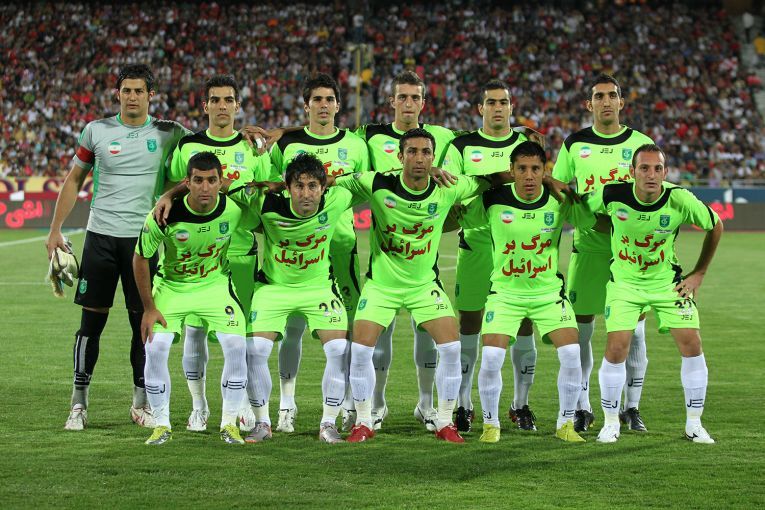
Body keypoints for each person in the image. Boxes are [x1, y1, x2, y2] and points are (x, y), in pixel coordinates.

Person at [46, 64, 190, 431]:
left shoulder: (170, 132)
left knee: (143, 323)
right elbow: (74, 179)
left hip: (144, 242)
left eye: (139, 91)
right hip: (101, 238)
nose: (132, 97)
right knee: (90, 324)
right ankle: (78, 404)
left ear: (151, 95)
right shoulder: (96, 130)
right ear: (118, 94)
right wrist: (55, 230)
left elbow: (211, 145)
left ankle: (141, 402)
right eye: (126, 90)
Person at [334, 128, 490, 443]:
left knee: (452, 348)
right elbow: (332, 180)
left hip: (423, 285)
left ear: (433, 158)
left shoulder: (448, 187)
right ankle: (363, 421)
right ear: (400, 156)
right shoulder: (377, 183)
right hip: (381, 285)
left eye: (426, 152)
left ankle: (444, 421)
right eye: (413, 152)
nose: (419, 158)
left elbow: (488, 180)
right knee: (361, 350)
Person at [461, 141, 597, 443]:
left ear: (544, 171)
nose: (529, 175)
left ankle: (565, 425)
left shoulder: (558, 200)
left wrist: (564, 190)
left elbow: (588, 220)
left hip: (548, 293)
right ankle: (490, 425)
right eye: (522, 169)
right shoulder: (493, 199)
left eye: (536, 169)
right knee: (492, 357)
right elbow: (461, 217)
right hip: (504, 294)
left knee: (571, 354)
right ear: (511, 170)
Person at [590, 144, 722, 444]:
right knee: (617, 347)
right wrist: (613, 227)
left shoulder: (679, 198)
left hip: (667, 283)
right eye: (644, 168)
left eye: (657, 168)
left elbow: (715, 226)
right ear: (632, 172)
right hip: (624, 283)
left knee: (692, 344)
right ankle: (610, 423)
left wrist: (699, 273)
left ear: (666, 172)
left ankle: (694, 424)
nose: (651, 174)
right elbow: (584, 212)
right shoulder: (612, 194)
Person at [350, 70, 460, 432]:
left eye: (415, 97)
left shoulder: (443, 136)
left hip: (423, 266)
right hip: (384, 263)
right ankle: (375, 407)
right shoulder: (369, 135)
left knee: (429, 337)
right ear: (392, 101)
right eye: (403, 97)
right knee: (375, 341)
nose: (408, 103)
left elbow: (479, 161)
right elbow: (330, 143)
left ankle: (428, 406)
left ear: (423, 102)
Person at [166, 74, 273, 433]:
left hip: (241, 253)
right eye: (216, 99)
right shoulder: (188, 146)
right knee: (195, 332)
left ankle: (239, 404)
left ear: (237, 106)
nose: (222, 106)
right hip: (199, 257)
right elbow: (176, 187)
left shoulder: (253, 148)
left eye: (229, 99)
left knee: (238, 336)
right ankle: (198, 406)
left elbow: (262, 194)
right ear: (205, 106)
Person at [552, 73, 654, 433]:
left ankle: (631, 407)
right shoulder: (575, 143)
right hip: (587, 249)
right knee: (582, 330)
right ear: (589, 104)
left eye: (612, 95)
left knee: (635, 332)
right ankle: (583, 406)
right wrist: (583, 216)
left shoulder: (641, 143)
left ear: (621, 102)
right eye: (599, 96)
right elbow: (559, 187)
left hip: (630, 254)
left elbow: (652, 191)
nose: (606, 101)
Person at [268, 73, 369, 434]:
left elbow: (364, 187)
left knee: (348, 328)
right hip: (297, 251)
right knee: (292, 328)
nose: (323, 105)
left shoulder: (356, 145)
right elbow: (273, 188)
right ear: (306, 105)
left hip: (341, 247)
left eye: (329, 99)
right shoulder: (286, 145)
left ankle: (346, 402)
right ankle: (286, 404)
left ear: (338, 105)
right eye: (317, 99)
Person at [243, 153, 362, 444]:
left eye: (312, 186)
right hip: (273, 288)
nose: (306, 194)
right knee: (255, 350)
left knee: (339, 349)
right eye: (298, 186)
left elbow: (380, 178)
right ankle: (262, 423)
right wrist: (169, 196)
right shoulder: (265, 203)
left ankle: (328, 424)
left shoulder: (337, 199)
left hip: (318, 288)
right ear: (287, 187)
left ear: (323, 188)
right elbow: (222, 186)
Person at [134, 151, 251, 445]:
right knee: (156, 348)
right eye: (198, 180)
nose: (205, 187)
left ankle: (229, 424)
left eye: (211, 180)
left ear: (221, 182)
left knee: (236, 344)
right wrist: (149, 307)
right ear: (187, 182)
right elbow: (140, 258)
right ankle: (161, 425)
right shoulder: (164, 215)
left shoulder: (234, 210)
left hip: (215, 286)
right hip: (172, 287)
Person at [442, 79, 532, 433]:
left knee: (524, 323)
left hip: (518, 249)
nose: (497, 108)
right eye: (491, 102)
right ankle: (464, 404)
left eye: (503, 102)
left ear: (511, 107)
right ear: (480, 108)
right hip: (475, 248)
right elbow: (450, 187)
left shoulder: (524, 146)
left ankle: (520, 404)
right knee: (470, 324)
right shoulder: (462, 146)